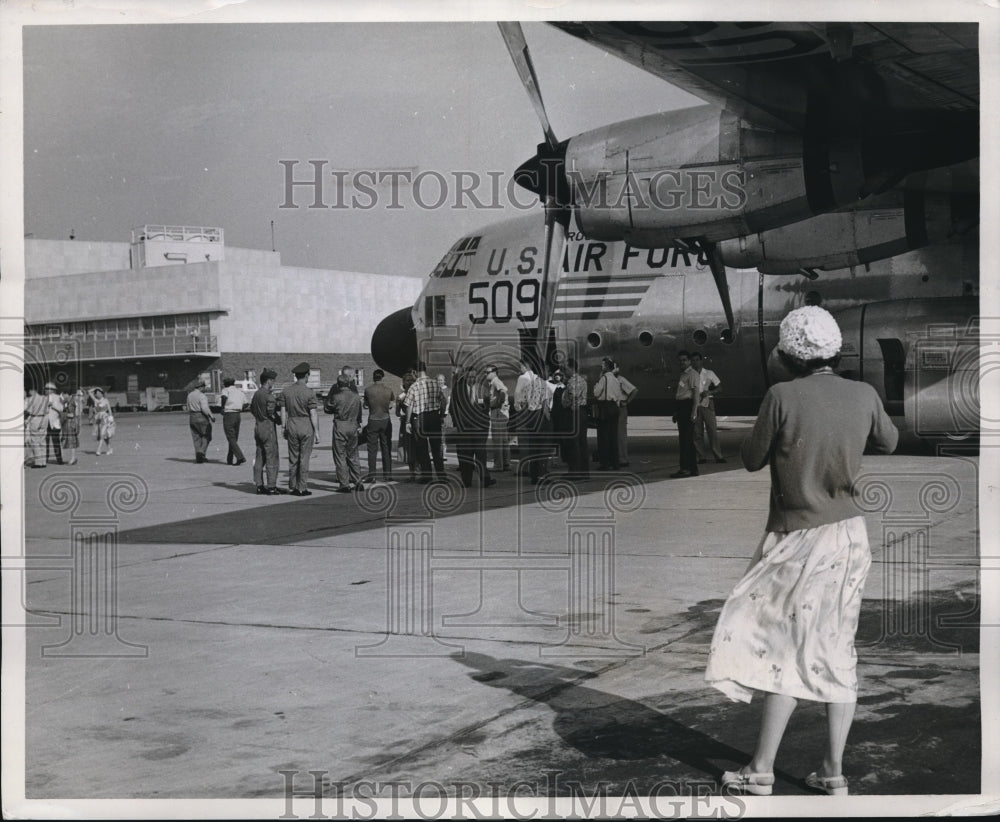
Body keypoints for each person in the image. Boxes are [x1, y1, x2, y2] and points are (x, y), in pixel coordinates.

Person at [705, 305, 899, 797]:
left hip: (796, 539)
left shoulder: (781, 394)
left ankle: (761, 769)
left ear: (787, 354)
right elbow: (890, 440)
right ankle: (833, 772)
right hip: (850, 537)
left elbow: (750, 458)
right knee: (836, 647)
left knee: (778, 646)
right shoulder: (863, 393)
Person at [450, 364, 495, 489]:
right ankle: (466, 481)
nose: (472, 379)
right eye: (470, 377)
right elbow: (452, 409)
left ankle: (485, 479)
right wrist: (458, 424)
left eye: (474, 377)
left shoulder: (483, 388)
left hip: (480, 428)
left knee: (481, 454)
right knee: (466, 455)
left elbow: (487, 407)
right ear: (465, 376)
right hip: (464, 428)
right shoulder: (457, 389)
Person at [279, 361, 320, 496]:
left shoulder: (286, 391)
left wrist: (283, 427)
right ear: (307, 375)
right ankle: (302, 487)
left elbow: (283, 411)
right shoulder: (309, 393)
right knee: (304, 458)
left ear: (296, 376)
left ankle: (293, 486)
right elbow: (313, 413)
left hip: (292, 424)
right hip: (306, 425)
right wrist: (317, 432)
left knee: (293, 457)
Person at [404, 362, 446, 483]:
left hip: (420, 418)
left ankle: (427, 476)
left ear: (414, 372)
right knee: (436, 448)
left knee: (422, 448)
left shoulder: (414, 386)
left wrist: (407, 422)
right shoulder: (435, 383)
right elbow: (443, 401)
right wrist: (441, 414)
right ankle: (442, 476)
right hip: (434, 416)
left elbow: (409, 406)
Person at [250, 368, 286, 495]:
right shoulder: (268, 396)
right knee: (272, 457)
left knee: (260, 456)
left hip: (258, 426)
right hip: (268, 427)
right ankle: (272, 486)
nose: (274, 382)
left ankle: (259, 485)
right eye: (273, 380)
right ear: (269, 380)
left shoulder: (256, 394)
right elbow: (271, 413)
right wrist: (280, 421)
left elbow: (252, 409)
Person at [327, 373, 364, 492]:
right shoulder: (356, 396)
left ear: (338, 384)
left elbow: (327, 408)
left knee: (340, 455)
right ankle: (358, 481)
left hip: (340, 425)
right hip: (353, 425)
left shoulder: (336, 396)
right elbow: (359, 412)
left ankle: (344, 484)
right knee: (353, 454)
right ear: (348, 383)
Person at [512, 356, 546, 484]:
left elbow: (517, 394)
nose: (519, 368)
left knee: (524, 440)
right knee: (534, 441)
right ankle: (535, 469)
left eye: (520, 366)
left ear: (524, 366)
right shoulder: (536, 378)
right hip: (536, 412)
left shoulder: (522, 377)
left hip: (524, 410)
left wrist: (517, 407)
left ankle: (524, 467)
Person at [690, 352, 725, 464]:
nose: (695, 362)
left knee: (712, 430)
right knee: (697, 432)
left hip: (707, 403)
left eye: (697, 360)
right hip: (694, 404)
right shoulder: (689, 374)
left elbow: (720, 388)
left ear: (701, 361)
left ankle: (718, 456)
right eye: (693, 360)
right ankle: (701, 457)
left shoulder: (709, 373)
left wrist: (710, 392)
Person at [670, 350, 699, 478]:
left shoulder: (692, 374)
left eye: (684, 360)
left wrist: (694, 411)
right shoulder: (683, 375)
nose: (681, 362)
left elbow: (696, 394)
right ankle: (691, 469)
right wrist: (677, 411)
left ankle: (686, 468)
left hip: (688, 407)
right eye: (680, 360)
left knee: (686, 440)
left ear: (689, 361)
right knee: (685, 439)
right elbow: (680, 393)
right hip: (682, 407)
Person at [362, 369, 394, 482]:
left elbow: (365, 405)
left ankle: (372, 476)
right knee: (386, 447)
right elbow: (391, 405)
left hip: (373, 420)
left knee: (372, 449)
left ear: (373, 377)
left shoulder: (368, 390)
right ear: (382, 377)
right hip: (385, 420)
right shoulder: (388, 390)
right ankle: (388, 474)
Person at [592, 357, 624, 470]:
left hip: (605, 407)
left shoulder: (603, 378)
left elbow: (596, 393)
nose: (601, 367)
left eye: (602, 365)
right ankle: (615, 461)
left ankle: (605, 463)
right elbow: (619, 395)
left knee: (603, 436)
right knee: (613, 435)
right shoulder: (616, 379)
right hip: (614, 407)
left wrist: (596, 383)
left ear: (606, 367)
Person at [560, 358, 589, 478]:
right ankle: (583, 470)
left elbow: (572, 398)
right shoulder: (582, 379)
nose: (564, 372)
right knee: (582, 442)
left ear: (572, 368)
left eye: (566, 369)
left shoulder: (572, 381)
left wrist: (566, 403)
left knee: (573, 442)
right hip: (581, 412)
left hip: (574, 412)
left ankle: (575, 471)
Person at [485, 365, 510, 472]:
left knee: (497, 440)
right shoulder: (493, 382)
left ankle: (498, 465)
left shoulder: (495, 381)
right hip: (502, 412)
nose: (486, 374)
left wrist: (498, 403)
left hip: (498, 412)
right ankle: (505, 463)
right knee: (504, 440)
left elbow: (503, 391)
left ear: (494, 372)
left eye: (488, 372)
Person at [613, 365, 638, 467]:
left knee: (620, 434)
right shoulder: (609, 379)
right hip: (612, 409)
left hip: (620, 408)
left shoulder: (620, 380)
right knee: (615, 434)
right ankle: (617, 457)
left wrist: (626, 402)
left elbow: (634, 390)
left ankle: (623, 458)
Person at [220, 377, 247, 466]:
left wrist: (222, 407)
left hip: (229, 414)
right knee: (234, 438)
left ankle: (240, 457)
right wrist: (240, 408)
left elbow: (224, 398)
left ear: (226, 384)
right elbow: (246, 403)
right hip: (237, 415)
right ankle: (230, 459)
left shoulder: (225, 390)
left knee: (230, 437)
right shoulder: (239, 391)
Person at [186, 379, 215, 463]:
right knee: (207, 435)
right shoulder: (202, 396)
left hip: (192, 417)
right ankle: (201, 452)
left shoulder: (189, 395)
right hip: (201, 416)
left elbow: (187, 407)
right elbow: (204, 408)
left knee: (196, 437)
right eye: (204, 387)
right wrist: (211, 416)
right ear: (201, 387)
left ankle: (199, 457)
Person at [396, 370, 417, 481]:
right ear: (403, 382)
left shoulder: (417, 392)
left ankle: (419, 471)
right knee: (407, 448)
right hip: (405, 424)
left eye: (411, 380)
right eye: (407, 380)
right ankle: (412, 473)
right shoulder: (401, 396)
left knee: (417, 447)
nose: (409, 382)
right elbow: (397, 413)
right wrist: (398, 404)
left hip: (416, 422)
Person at [24, 385, 48, 468]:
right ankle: (43, 461)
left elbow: (29, 411)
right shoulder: (44, 398)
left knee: (35, 441)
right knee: (42, 440)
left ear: (31, 390)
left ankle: (38, 462)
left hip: (35, 418)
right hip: (44, 419)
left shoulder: (31, 399)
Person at [60, 388, 82, 465]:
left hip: (71, 422)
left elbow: (72, 414)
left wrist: (62, 414)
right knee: (68, 440)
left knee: (72, 441)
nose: (63, 396)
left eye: (64, 394)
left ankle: (73, 457)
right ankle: (71, 457)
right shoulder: (68, 401)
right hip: (68, 423)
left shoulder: (71, 402)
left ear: (67, 394)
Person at [44, 382, 64, 465]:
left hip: (54, 423)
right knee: (45, 442)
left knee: (56, 442)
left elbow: (61, 409)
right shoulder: (43, 398)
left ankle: (59, 459)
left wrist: (53, 406)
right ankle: (45, 459)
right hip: (45, 423)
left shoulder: (58, 397)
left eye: (47, 389)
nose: (45, 391)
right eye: (45, 389)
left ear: (52, 390)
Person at [93, 388, 115, 455]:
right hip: (98, 419)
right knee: (103, 436)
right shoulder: (96, 401)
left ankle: (98, 449)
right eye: (96, 393)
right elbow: (95, 410)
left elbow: (109, 410)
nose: (98, 394)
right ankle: (110, 449)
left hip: (105, 418)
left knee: (102, 434)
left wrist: (111, 419)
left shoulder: (106, 400)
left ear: (102, 393)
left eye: (99, 393)